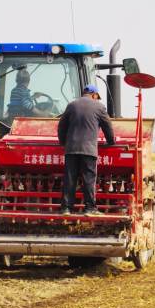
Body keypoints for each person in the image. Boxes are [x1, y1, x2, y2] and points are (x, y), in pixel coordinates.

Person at [57, 84, 115, 216]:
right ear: (94, 95)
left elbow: (61, 126)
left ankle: (66, 208)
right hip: (89, 150)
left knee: (70, 178)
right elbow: (108, 126)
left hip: (71, 149)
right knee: (89, 179)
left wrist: (63, 142)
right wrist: (111, 142)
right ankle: (90, 209)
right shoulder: (99, 107)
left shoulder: (71, 105)